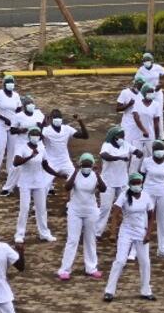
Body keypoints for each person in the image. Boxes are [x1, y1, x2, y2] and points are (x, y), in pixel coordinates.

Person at [102, 173, 156, 303]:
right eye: (134, 183)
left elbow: (151, 216)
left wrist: (148, 233)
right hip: (126, 231)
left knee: (145, 262)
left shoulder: (146, 196)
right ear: (130, 184)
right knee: (120, 261)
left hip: (141, 232)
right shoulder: (124, 195)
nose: (137, 185)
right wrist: (112, 232)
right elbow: (115, 214)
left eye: (139, 183)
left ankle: (146, 290)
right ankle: (109, 291)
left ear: (142, 183)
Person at [58, 153, 105, 281]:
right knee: (72, 240)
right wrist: (75, 172)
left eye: (88, 164)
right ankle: (65, 269)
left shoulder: (95, 176)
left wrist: (97, 175)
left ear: (92, 165)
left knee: (90, 240)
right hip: (75, 211)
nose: (86, 166)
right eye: (84, 164)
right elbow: (67, 187)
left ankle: (91, 268)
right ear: (80, 164)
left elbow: (103, 189)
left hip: (91, 211)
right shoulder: (75, 175)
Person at [13, 127, 64, 244]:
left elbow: (45, 165)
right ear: (29, 136)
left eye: (37, 135)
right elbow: (16, 162)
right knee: (24, 208)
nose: (35, 137)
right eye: (33, 135)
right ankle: (20, 234)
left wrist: (58, 174)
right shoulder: (22, 148)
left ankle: (44, 233)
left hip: (39, 182)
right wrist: (30, 156)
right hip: (25, 182)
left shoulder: (41, 148)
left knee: (41, 209)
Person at [1, 95, 46, 195]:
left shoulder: (38, 113)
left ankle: (48, 187)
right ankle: (7, 188)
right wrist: (20, 130)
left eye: (32, 103)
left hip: (37, 141)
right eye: (28, 104)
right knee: (16, 166)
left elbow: (44, 124)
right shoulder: (18, 116)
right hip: (22, 142)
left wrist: (41, 128)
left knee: (43, 162)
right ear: (24, 106)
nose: (31, 105)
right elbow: (12, 130)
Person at [141, 139, 164, 259]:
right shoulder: (146, 161)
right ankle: (138, 248)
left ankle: (163, 249)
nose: (159, 152)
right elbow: (142, 176)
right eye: (157, 150)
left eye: (161, 150)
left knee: (162, 221)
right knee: (144, 219)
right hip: (148, 192)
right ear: (153, 151)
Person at [0, 75, 22, 182]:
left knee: (12, 150)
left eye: (12, 82)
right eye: (8, 82)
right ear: (4, 84)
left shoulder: (16, 95)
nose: (11, 84)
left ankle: (10, 172)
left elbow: (19, 110)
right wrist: (4, 118)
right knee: (0, 149)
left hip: (12, 125)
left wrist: (17, 122)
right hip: (0, 124)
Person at [99, 126, 139, 214]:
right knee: (105, 209)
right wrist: (119, 158)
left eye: (123, 137)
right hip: (108, 182)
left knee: (129, 206)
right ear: (115, 137)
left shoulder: (125, 144)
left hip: (122, 182)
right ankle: (98, 228)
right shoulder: (107, 146)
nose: (123, 139)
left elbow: (135, 150)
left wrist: (138, 153)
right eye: (121, 137)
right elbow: (104, 156)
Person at [41, 110, 88, 181]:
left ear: (62, 119)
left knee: (75, 180)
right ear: (50, 119)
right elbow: (38, 138)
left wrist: (80, 122)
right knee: (45, 184)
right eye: (55, 118)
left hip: (65, 161)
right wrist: (43, 124)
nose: (57, 120)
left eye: (59, 118)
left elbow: (85, 136)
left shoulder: (67, 129)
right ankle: (51, 190)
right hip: (51, 162)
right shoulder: (46, 130)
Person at [115, 77, 145, 172]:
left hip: (137, 127)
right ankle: (122, 169)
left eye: (141, 86)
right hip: (127, 125)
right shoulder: (125, 92)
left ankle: (132, 172)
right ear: (135, 83)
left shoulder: (141, 96)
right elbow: (117, 108)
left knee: (136, 149)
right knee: (125, 148)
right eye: (138, 85)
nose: (139, 87)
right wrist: (128, 105)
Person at [129, 84, 163, 164]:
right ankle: (132, 174)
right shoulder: (137, 104)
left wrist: (157, 138)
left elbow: (156, 123)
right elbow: (136, 118)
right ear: (144, 93)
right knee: (135, 158)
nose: (151, 94)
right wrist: (143, 130)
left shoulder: (156, 105)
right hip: (137, 135)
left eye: (152, 92)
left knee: (152, 156)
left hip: (150, 135)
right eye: (149, 92)